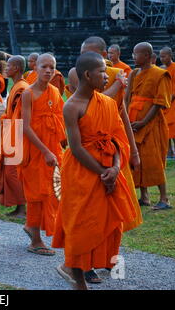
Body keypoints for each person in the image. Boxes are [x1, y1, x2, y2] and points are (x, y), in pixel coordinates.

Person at [52, 52, 136, 290]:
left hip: (110, 169)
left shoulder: (108, 103)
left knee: (107, 223)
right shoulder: (71, 107)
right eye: (102, 71)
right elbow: (76, 148)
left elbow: (117, 140)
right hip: (82, 172)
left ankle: (82, 268)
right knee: (81, 225)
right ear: (88, 75)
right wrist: (102, 171)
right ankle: (78, 279)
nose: (106, 76)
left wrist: (116, 168)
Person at [19, 54, 66, 256]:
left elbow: (60, 120)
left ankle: (34, 228)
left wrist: (62, 145)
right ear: (35, 69)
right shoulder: (28, 93)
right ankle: (35, 239)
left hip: (53, 149)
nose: (48, 70)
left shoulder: (55, 91)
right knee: (36, 194)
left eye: (52, 67)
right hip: (35, 151)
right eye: (44, 66)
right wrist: (45, 151)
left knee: (53, 191)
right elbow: (26, 127)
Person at [127, 42, 172, 210]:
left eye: (136, 54)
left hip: (152, 123)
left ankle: (164, 198)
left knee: (154, 159)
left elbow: (159, 103)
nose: (133, 57)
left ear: (146, 55)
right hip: (133, 121)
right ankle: (144, 196)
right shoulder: (133, 74)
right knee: (137, 159)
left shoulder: (161, 74)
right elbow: (127, 98)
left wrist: (144, 121)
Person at [0, 55, 28, 218]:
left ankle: (22, 209)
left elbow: (21, 115)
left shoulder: (22, 88)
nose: (5, 68)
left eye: (8, 66)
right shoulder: (17, 86)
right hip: (12, 131)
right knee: (10, 170)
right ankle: (19, 207)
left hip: (18, 134)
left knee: (13, 172)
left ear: (16, 68)